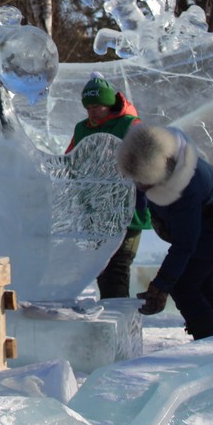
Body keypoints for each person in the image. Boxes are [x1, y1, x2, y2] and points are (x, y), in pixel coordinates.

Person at [115, 125, 213, 340]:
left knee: (184, 284)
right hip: (198, 217)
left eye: (143, 182)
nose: (140, 186)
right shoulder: (151, 163)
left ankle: (206, 339)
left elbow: (185, 244)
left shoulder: (186, 187)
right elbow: (140, 194)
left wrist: (160, 286)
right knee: (204, 280)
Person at [65, 73, 149, 299]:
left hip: (127, 209)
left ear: (109, 104)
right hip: (96, 209)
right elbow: (70, 160)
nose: (91, 111)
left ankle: (116, 318)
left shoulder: (130, 125)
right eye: (88, 107)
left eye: (97, 106)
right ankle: (112, 313)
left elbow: (145, 161)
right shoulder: (82, 128)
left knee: (118, 264)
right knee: (103, 265)